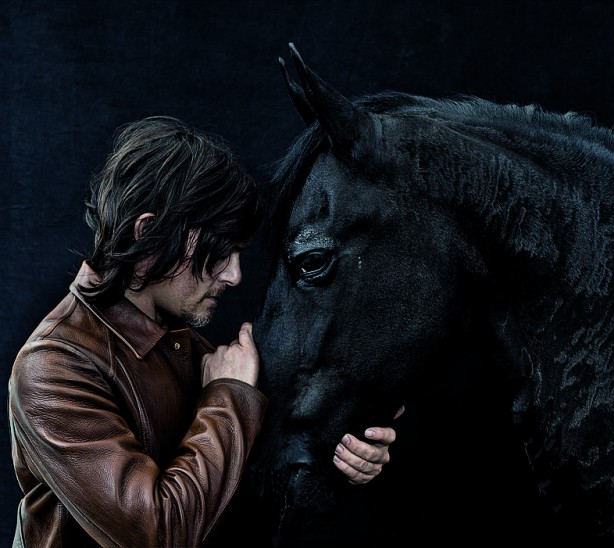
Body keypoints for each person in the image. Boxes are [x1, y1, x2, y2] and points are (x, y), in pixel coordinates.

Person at [8, 116, 401, 547]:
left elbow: (244, 494)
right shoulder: (53, 368)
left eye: (238, 253)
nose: (234, 275)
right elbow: (158, 535)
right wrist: (228, 397)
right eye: (219, 251)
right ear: (148, 234)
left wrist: (347, 453)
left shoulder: (189, 348)